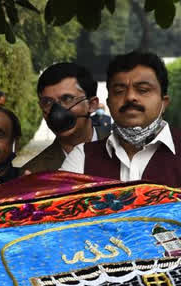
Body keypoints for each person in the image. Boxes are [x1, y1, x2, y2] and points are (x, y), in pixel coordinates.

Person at [61, 51, 181, 186]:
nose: (130, 97)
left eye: (143, 90)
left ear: (164, 102)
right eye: (119, 91)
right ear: (109, 103)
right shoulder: (81, 158)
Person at [25, 63, 109, 174]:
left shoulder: (126, 149)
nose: (57, 112)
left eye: (67, 99)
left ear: (92, 104)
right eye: (47, 102)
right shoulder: (34, 174)